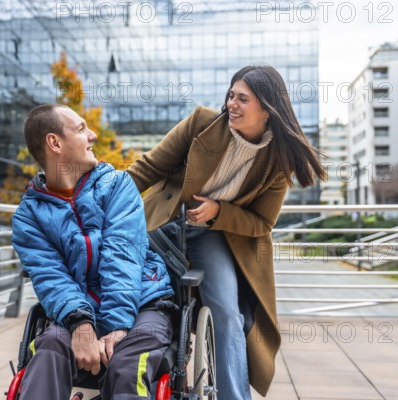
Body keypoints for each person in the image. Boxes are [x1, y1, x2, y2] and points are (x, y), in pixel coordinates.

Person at [128, 65, 327, 398]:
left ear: (267, 109)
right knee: (139, 294)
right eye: (231, 95)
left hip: (212, 234)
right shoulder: (201, 124)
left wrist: (219, 212)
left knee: (228, 314)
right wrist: (104, 204)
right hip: (164, 225)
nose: (232, 104)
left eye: (243, 99)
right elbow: (149, 168)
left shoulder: (277, 163)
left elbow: (262, 223)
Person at [12, 104, 175, 400]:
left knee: (127, 362)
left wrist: (114, 327)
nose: (93, 135)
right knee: (49, 348)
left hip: (142, 302)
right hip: (77, 312)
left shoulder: (118, 186)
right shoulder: (28, 218)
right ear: (55, 143)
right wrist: (82, 325)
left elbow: (122, 257)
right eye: (81, 129)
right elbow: (51, 277)